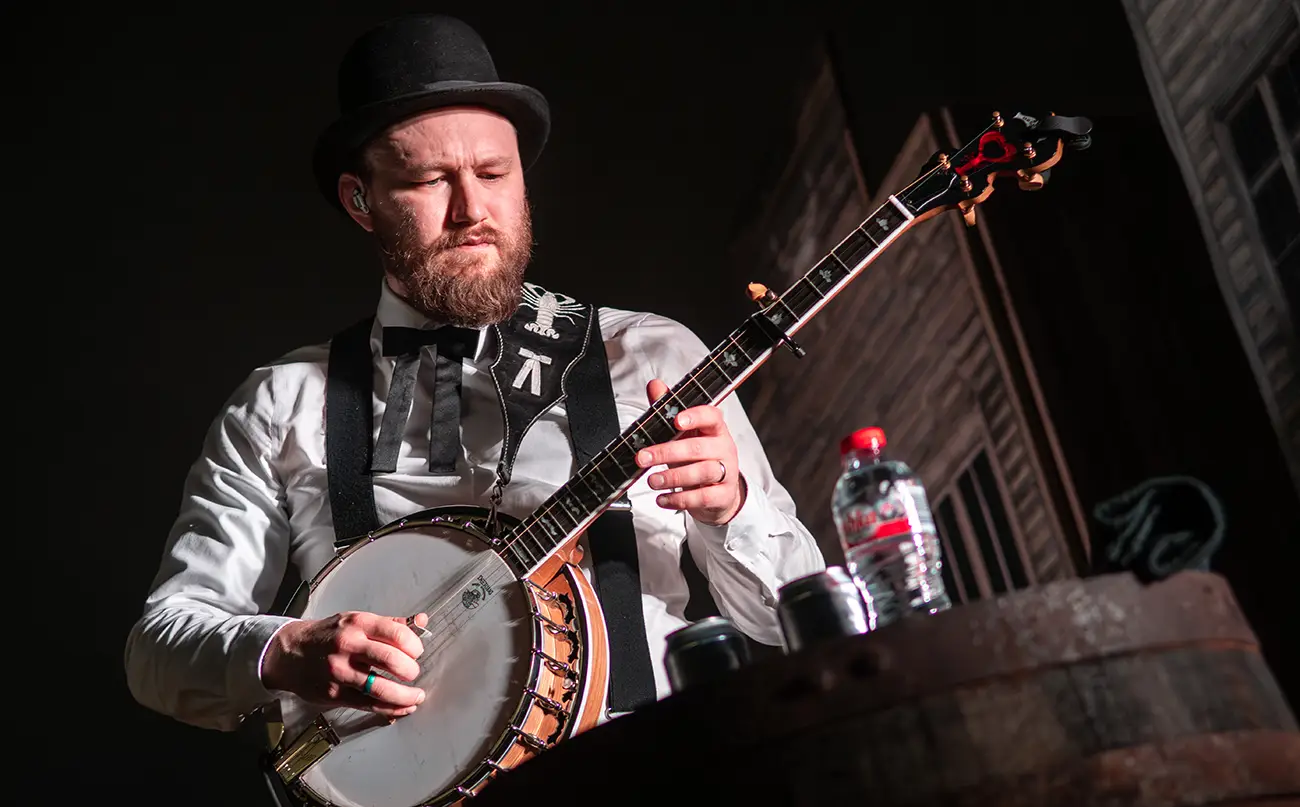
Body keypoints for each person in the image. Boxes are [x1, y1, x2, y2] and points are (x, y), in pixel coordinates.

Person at [124, 13, 825, 737]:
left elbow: (798, 615)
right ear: (359, 202)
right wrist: (280, 649)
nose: (472, 212)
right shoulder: (282, 403)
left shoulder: (654, 356)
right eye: (429, 180)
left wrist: (732, 508)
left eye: (494, 174)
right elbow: (158, 650)